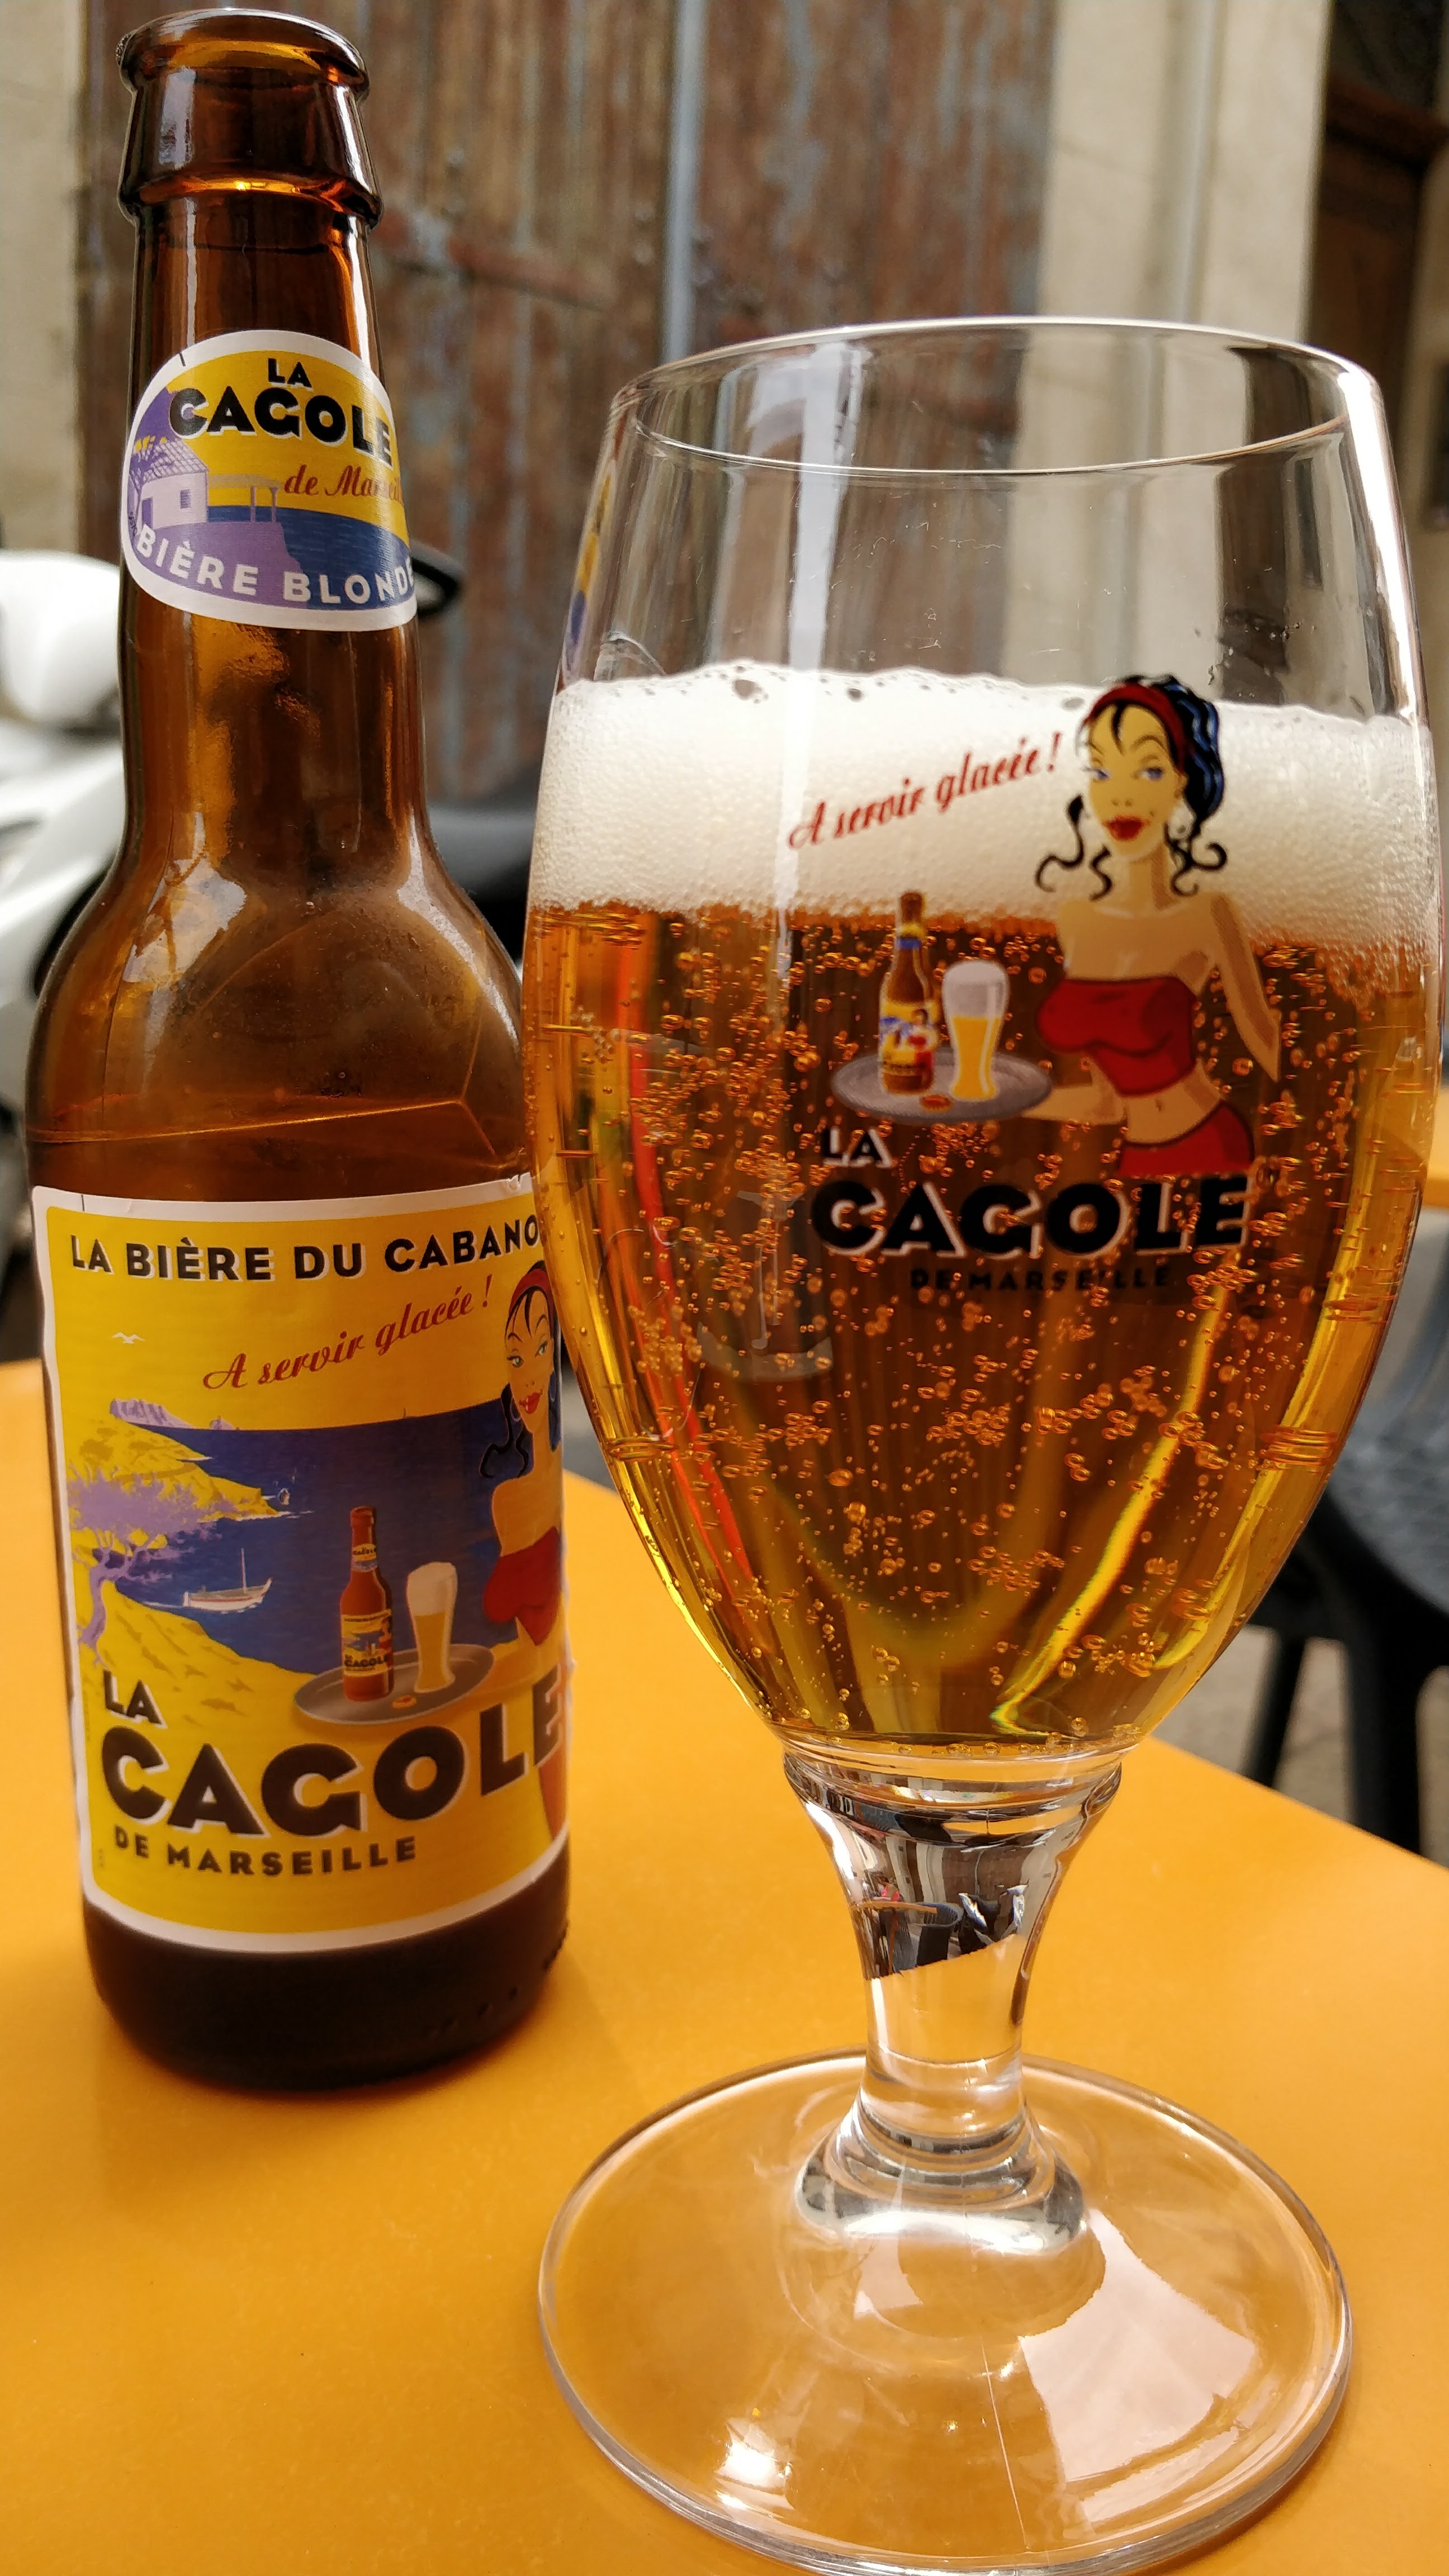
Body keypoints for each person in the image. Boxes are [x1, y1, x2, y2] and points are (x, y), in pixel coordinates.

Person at [1030, 675, 1279, 1175]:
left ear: (1180, 782)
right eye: (1101, 772)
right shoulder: (1076, 921)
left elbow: (1267, 1043)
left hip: (1212, 1142)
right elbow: (1106, 1105)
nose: (1120, 796)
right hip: (1137, 1156)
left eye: (1148, 770)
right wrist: (997, 1100)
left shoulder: (1207, 915)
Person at [480, 1262, 565, 1654]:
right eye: (515, 1359)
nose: (528, 1375)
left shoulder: (514, 1502)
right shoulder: (506, 1500)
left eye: (542, 1348)